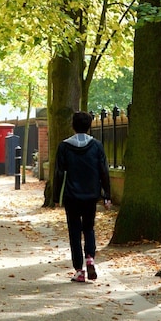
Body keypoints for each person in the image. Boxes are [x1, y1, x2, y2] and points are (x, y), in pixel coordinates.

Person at [52, 111, 111, 283]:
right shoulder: (97, 146)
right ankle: (90, 258)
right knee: (89, 228)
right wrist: (107, 195)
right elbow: (104, 171)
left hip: (71, 196)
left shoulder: (64, 147)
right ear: (89, 126)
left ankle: (79, 270)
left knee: (74, 232)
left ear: (73, 125)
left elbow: (59, 172)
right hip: (91, 195)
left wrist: (56, 197)